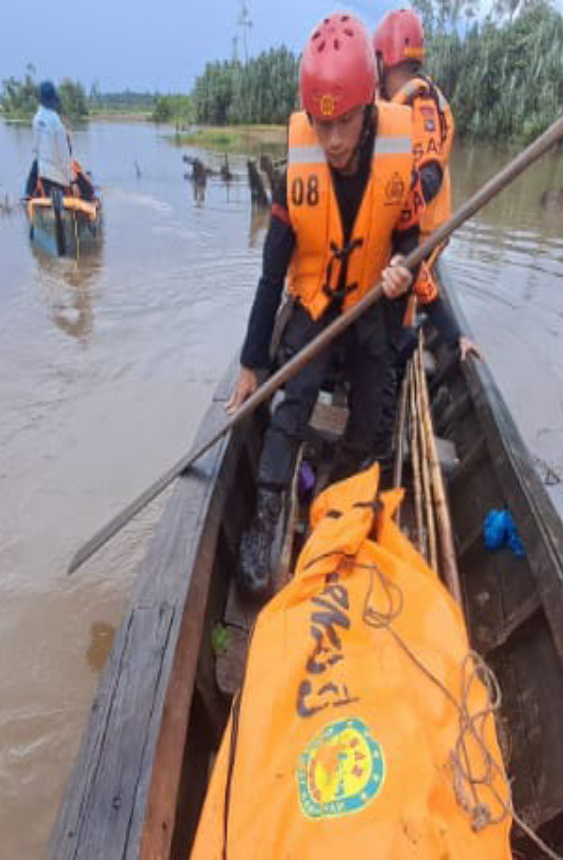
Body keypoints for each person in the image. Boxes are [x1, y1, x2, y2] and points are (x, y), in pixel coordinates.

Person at [226, 12, 424, 600]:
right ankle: (265, 521)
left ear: (368, 106)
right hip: (313, 301)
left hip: (368, 301)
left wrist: (403, 271)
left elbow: (412, 239)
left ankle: (335, 496)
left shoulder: (396, 158)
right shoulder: (299, 175)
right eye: (320, 123)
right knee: (292, 406)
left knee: (371, 420)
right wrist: (250, 360)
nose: (332, 139)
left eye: (344, 122)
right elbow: (269, 276)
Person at [371, 8, 478, 466]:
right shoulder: (399, 96)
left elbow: (428, 174)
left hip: (422, 234)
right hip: (402, 231)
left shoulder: (419, 100)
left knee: (402, 316)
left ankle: (386, 418)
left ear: (382, 57)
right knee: (392, 304)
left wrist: (401, 231)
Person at [24, 81, 96, 202]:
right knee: (87, 191)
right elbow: (64, 155)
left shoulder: (36, 119)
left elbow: (35, 148)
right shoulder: (56, 123)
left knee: (37, 166)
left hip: (44, 174)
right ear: (53, 101)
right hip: (60, 177)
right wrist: (73, 182)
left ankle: (29, 194)